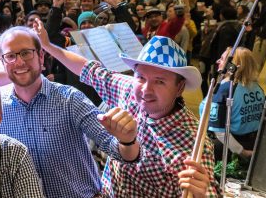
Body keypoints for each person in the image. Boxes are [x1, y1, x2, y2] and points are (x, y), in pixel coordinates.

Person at [34, 20, 218, 197]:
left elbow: (206, 191)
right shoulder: (129, 89)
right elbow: (88, 69)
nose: (146, 89)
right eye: (141, 77)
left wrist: (201, 195)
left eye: (160, 81)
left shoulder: (193, 140)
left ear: (179, 88)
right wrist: (48, 45)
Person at [0, 26, 141, 197]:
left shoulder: (69, 99)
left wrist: (127, 140)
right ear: (3, 63)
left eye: (26, 53)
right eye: (10, 56)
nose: (18, 62)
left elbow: (120, 152)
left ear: (41, 57)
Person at [200, 47, 264, 161]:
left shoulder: (224, 90)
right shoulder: (258, 88)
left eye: (222, 58)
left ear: (232, 65)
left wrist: (242, 152)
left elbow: (219, 132)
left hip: (229, 148)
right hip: (254, 144)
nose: (218, 61)